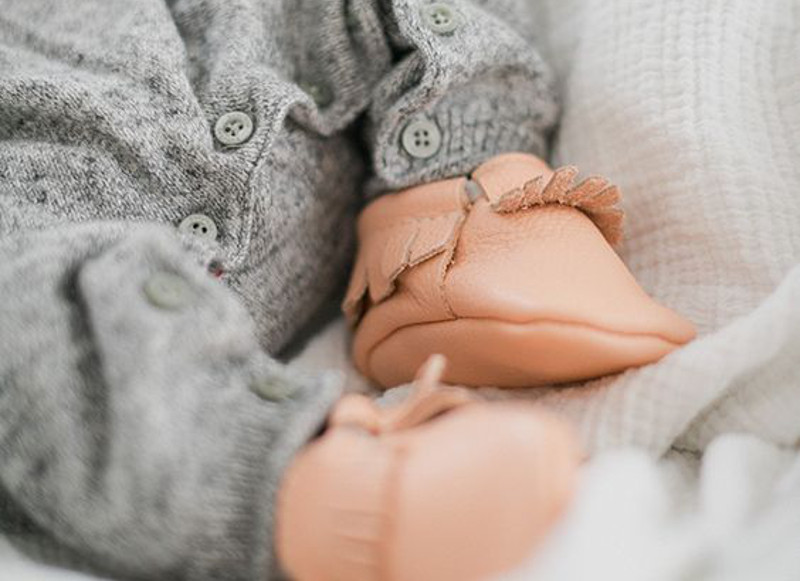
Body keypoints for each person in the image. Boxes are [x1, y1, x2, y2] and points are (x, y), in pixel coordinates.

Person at [0, 1, 693, 580]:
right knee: (28, 336)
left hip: (284, 71)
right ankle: (307, 487)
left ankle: (460, 203)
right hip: (49, 193)